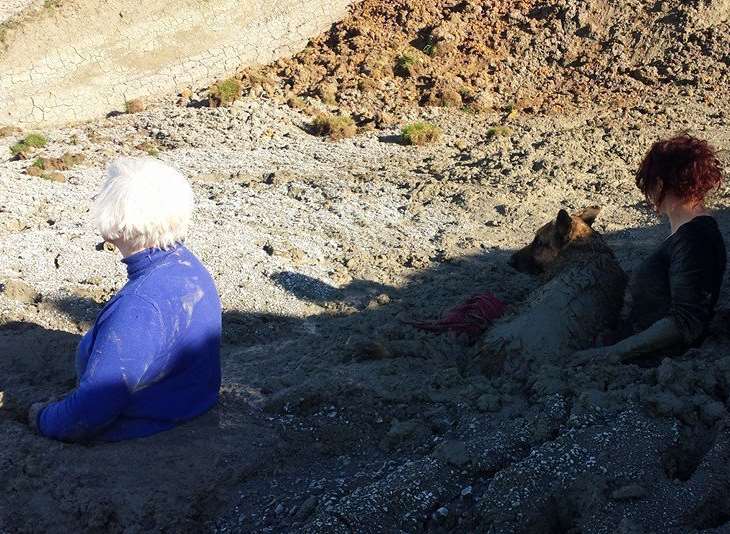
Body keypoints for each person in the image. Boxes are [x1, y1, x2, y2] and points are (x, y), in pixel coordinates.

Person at [28, 157, 222, 442]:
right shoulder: (186, 266)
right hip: (190, 403)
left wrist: (42, 418)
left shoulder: (139, 306)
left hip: (146, 428)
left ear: (116, 224)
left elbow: (88, 413)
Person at [572, 134, 726, 365]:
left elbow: (685, 321)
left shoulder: (693, 238)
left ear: (660, 183)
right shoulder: (689, 232)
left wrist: (613, 352)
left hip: (654, 365)